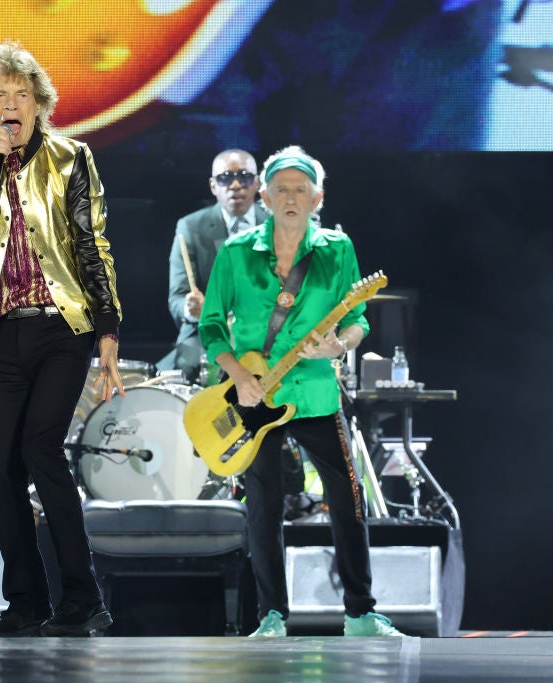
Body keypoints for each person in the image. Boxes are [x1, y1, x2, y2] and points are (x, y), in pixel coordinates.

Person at [0, 42, 124, 638]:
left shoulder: (72, 157)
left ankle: (82, 598)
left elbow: (91, 244)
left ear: (40, 104)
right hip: (8, 333)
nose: (11, 104)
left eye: (21, 94)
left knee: (41, 449)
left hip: (61, 328)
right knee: (2, 469)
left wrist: (107, 330)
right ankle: (24, 604)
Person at [198, 145, 403, 638]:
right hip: (253, 399)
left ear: (318, 198)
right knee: (263, 506)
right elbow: (210, 327)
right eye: (282, 189)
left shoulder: (338, 250)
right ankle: (271, 615)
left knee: (348, 498)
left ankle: (360, 612)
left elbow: (357, 322)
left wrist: (338, 346)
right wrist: (238, 376)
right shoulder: (234, 253)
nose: (291, 197)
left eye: (301, 189)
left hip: (313, 394)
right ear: (264, 197)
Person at [160, 149, 268, 381]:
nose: (236, 185)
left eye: (245, 177)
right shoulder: (190, 227)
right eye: (226, 178)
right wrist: (190, 310)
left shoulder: (275, 224)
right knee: (185, 364)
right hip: (208, 331)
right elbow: (177, 298)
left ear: (257, 183)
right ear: (213, 186)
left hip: (266, 330)